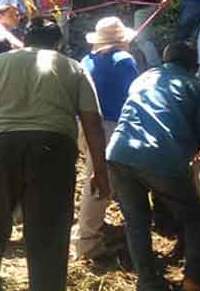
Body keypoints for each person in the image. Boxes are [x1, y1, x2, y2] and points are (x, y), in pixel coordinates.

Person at [0, 18, 109, 291]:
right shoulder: (73, 67)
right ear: (58, 43)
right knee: (49, 231)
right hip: (54, 148)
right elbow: (92, 121)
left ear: (26, 39)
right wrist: (99, 170)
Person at [107, 42, 200, 291]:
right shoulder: (198, 87)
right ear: (194, 65)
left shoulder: (144, 78)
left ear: (165, 60)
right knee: (196, 219)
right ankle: (195, 280)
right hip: (161, 155)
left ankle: (148, 282)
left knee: (136, 221)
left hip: (119, 151)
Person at [74, 17, 140, 261]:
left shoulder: (86, 60)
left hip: (85, 125)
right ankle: (87, 241)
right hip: (109, 127)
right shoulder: (124, 61)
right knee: (100, 182)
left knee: (98, 177)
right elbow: (134, 97)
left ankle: (93, 229)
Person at [115, 0, 164, 72]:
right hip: (154, 4)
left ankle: (155, 67)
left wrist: (123, 4)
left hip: (143, 8)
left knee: (141, 39)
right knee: (147, 37)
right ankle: (152, 64)